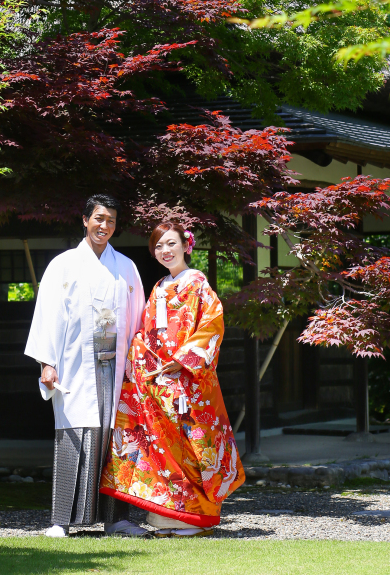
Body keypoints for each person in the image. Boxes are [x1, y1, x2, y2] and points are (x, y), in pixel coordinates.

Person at [100, 221, 245, 535]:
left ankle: (198, 517)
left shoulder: (198, 284)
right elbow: (147, 335)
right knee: (162, 447)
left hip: (188, 382)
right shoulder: (158, 287)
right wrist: (136, 353)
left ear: (185, 245)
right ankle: (168, 517)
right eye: (159, 246)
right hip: (158, 383)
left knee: (193, 446)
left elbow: (211, 326)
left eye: (171, 244)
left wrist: (183, 360)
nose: (165, 251)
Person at [24, 194, 149, 538]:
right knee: (75, 436)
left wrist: (139, 364)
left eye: (110, 220)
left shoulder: (126, 267)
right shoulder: (63, 265)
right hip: (75, 366)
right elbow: (48, 314)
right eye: (98, 218)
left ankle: (117, 519)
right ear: (84, 220)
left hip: (116, 367)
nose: (104, 226)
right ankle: (61, 521)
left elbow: (138, 319)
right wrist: (46, 363)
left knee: (115, 439)